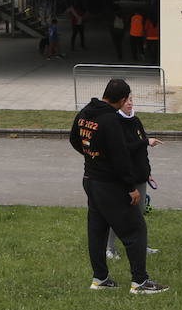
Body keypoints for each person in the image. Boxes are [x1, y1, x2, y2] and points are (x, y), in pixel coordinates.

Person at [69, 78, 168, 295]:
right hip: (109, 184)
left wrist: (92, 156)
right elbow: (120, 157)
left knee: (97, 231)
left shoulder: (85, 113)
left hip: (90, 180)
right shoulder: (110, 120)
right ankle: (140, 283)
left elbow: (74, 140)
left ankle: (100, 279)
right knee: (136, 229)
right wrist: (131, 187)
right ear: (122, 99)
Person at [106, 95, 163, 261]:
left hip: (140, 177)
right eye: (126, 100)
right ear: (119, 103)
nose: (130, 103)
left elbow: (141, 151)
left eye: (131, 99)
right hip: (123, 178)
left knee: (139, 215)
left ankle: (141, 246)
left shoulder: (136, 120)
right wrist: (146, 141)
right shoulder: (115, 123)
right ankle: (110, 248)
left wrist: (147, 172)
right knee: (119, 215)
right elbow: (123, 149)